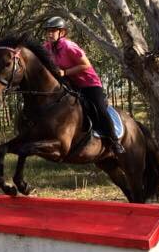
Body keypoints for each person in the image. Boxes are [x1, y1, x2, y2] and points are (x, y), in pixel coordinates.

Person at [39, 16, 125, 155]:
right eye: (48, 31)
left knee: (99, 109)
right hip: (71, 83)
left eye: (53, 31)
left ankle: (114, 142)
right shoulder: (47, 47)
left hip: (89, 84)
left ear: (62, 32)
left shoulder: (69, 46)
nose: (49, 34)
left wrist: (65, 72)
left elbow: (86, 65)